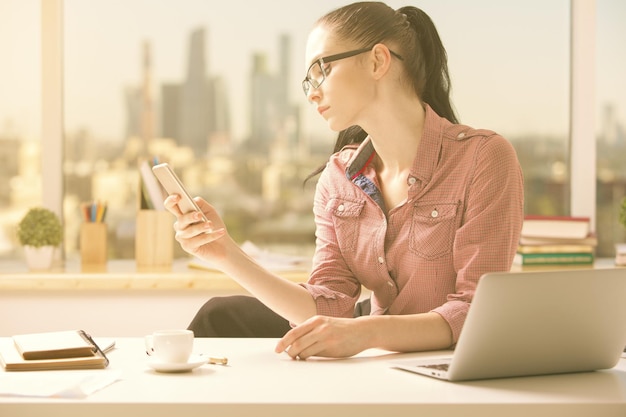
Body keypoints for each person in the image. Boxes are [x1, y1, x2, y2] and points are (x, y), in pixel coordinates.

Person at [165, 1, 524, 359]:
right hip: (378, 361)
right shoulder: (338, 177)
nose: (311, 92)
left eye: (322, 69)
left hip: (445, 367)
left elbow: (474, 311)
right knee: (219, 315)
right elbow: (330, 306)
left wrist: (364, 332)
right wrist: (224, 252)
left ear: (377, 61)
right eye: (308, 79)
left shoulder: (483, 158)